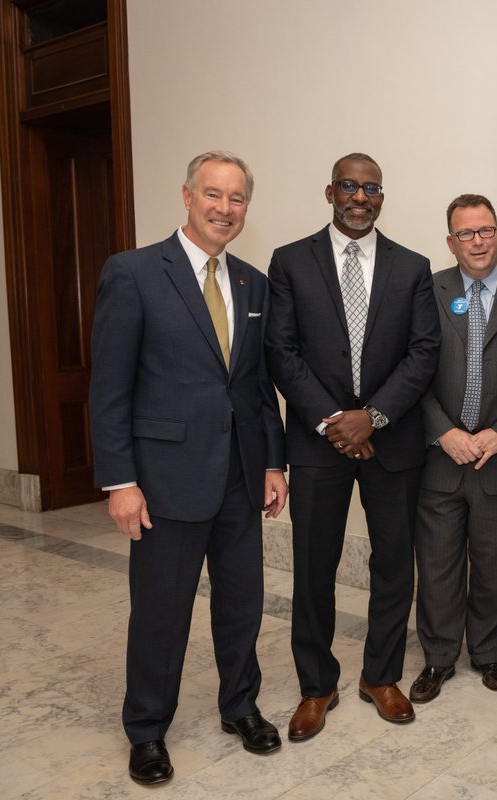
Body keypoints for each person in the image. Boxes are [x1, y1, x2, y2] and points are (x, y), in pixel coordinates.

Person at [89, 151, 288, 785]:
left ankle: (241, 707)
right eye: (213, 195)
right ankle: (146, 729)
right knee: (161, 611)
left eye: (236, 199)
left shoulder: (254, 283)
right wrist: (120, 481)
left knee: (242, 605)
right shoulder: (135, 273)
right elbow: (110, 388)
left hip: (239, 476)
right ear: (186, 196)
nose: (225, 209)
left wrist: (274, 464)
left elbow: (256, 388)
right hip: (164, 480)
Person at [264, 153, 440, 740]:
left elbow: (423, 353)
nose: (359, 197)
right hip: (319, 444)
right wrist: (336, 421)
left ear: (382, 198)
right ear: (329, 191)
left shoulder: (412, 267)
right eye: (349, 186)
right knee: (315, 566)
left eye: (370, 188)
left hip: (393, 442)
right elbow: (281, 352)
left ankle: (380, 676)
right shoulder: (290, 261)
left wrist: (375, 417)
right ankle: (317, 685)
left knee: (394, 564)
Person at [408, 194, 497, 703]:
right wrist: (443, 431)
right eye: (466, 234)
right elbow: (409, 370)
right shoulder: (426, 290)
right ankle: (438, 658)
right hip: (441, 457)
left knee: (495, 564)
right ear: (450, 242)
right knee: (436, 567)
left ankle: (487, 654)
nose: (477, 241)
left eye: (485, 231)